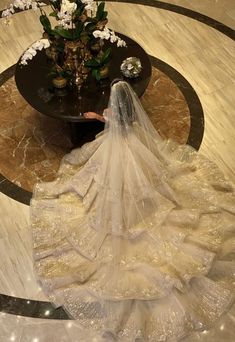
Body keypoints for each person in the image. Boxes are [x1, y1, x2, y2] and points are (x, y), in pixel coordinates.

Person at [31, 81, 235, 341]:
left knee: (113, 189)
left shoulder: (113, 118)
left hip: (117, 154)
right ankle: (144, 213)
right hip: (136, 152)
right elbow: (110, 118)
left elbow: (104, 117)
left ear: (115, 107)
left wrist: (92, 116)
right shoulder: (133, 121)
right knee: (147, 186)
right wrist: (99, 115)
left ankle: (125, 219)